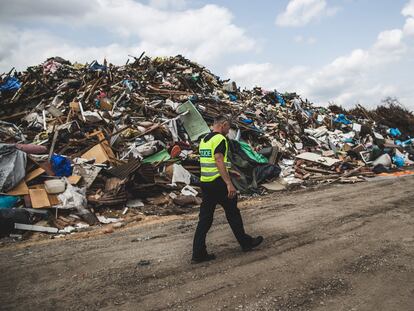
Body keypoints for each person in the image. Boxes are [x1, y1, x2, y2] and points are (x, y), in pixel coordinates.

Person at [192, 115, 263, 263]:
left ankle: (198, 253)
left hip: (206, 183)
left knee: (205, 219)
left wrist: (230, 170)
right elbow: (218, 159)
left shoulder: (204, 140)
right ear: (223, 125)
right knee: (233, 213)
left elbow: (212, 161)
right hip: (219, 184)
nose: (229, 130)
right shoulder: (220, 139)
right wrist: (229, 183)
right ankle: (245, 243)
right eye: (228, 127)